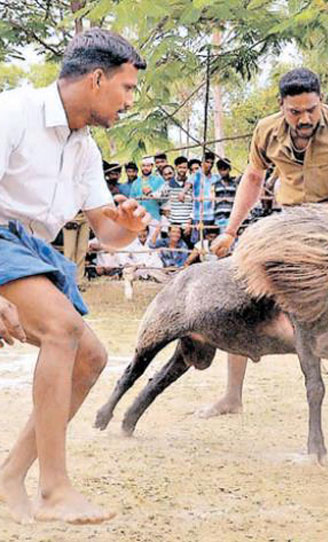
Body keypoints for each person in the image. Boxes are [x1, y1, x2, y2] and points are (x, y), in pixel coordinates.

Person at [0, 29, 149, 524]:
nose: (130, 100)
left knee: (90, 358)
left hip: (30, 248)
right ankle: (55, 490)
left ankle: (8, 479)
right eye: (127, 88)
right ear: (97, 78)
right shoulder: (13, 112)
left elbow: (105, 229)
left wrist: (126, 228)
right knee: (62, 330)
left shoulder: (84, 147)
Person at [208, 68, 328, 421]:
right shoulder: (266, 131)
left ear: (320, 100)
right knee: (243, 296)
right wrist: (230, 232)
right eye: (295, 112)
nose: (304, 118)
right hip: (289, 223)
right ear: (282, 106)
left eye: (311, 109)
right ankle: (232, 396)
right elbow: (252, 177)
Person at [127, 156, 164, 229]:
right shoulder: (136, 183)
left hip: (154, 217)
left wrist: (152, 194)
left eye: (148, 166)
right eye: (143, 166)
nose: (145, 168)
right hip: (139, 218)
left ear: (152, 166)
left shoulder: (159, 180)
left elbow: (164, 199)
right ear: (140, 167)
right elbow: (131, 201)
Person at [213, 158, 237, 230]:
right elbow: (213, 201)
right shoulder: (215, 185)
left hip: (232, 216)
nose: (223, 172)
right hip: (219, 216)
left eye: (225, 169)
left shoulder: (235, 184)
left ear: (229, 169)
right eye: (220, 170)